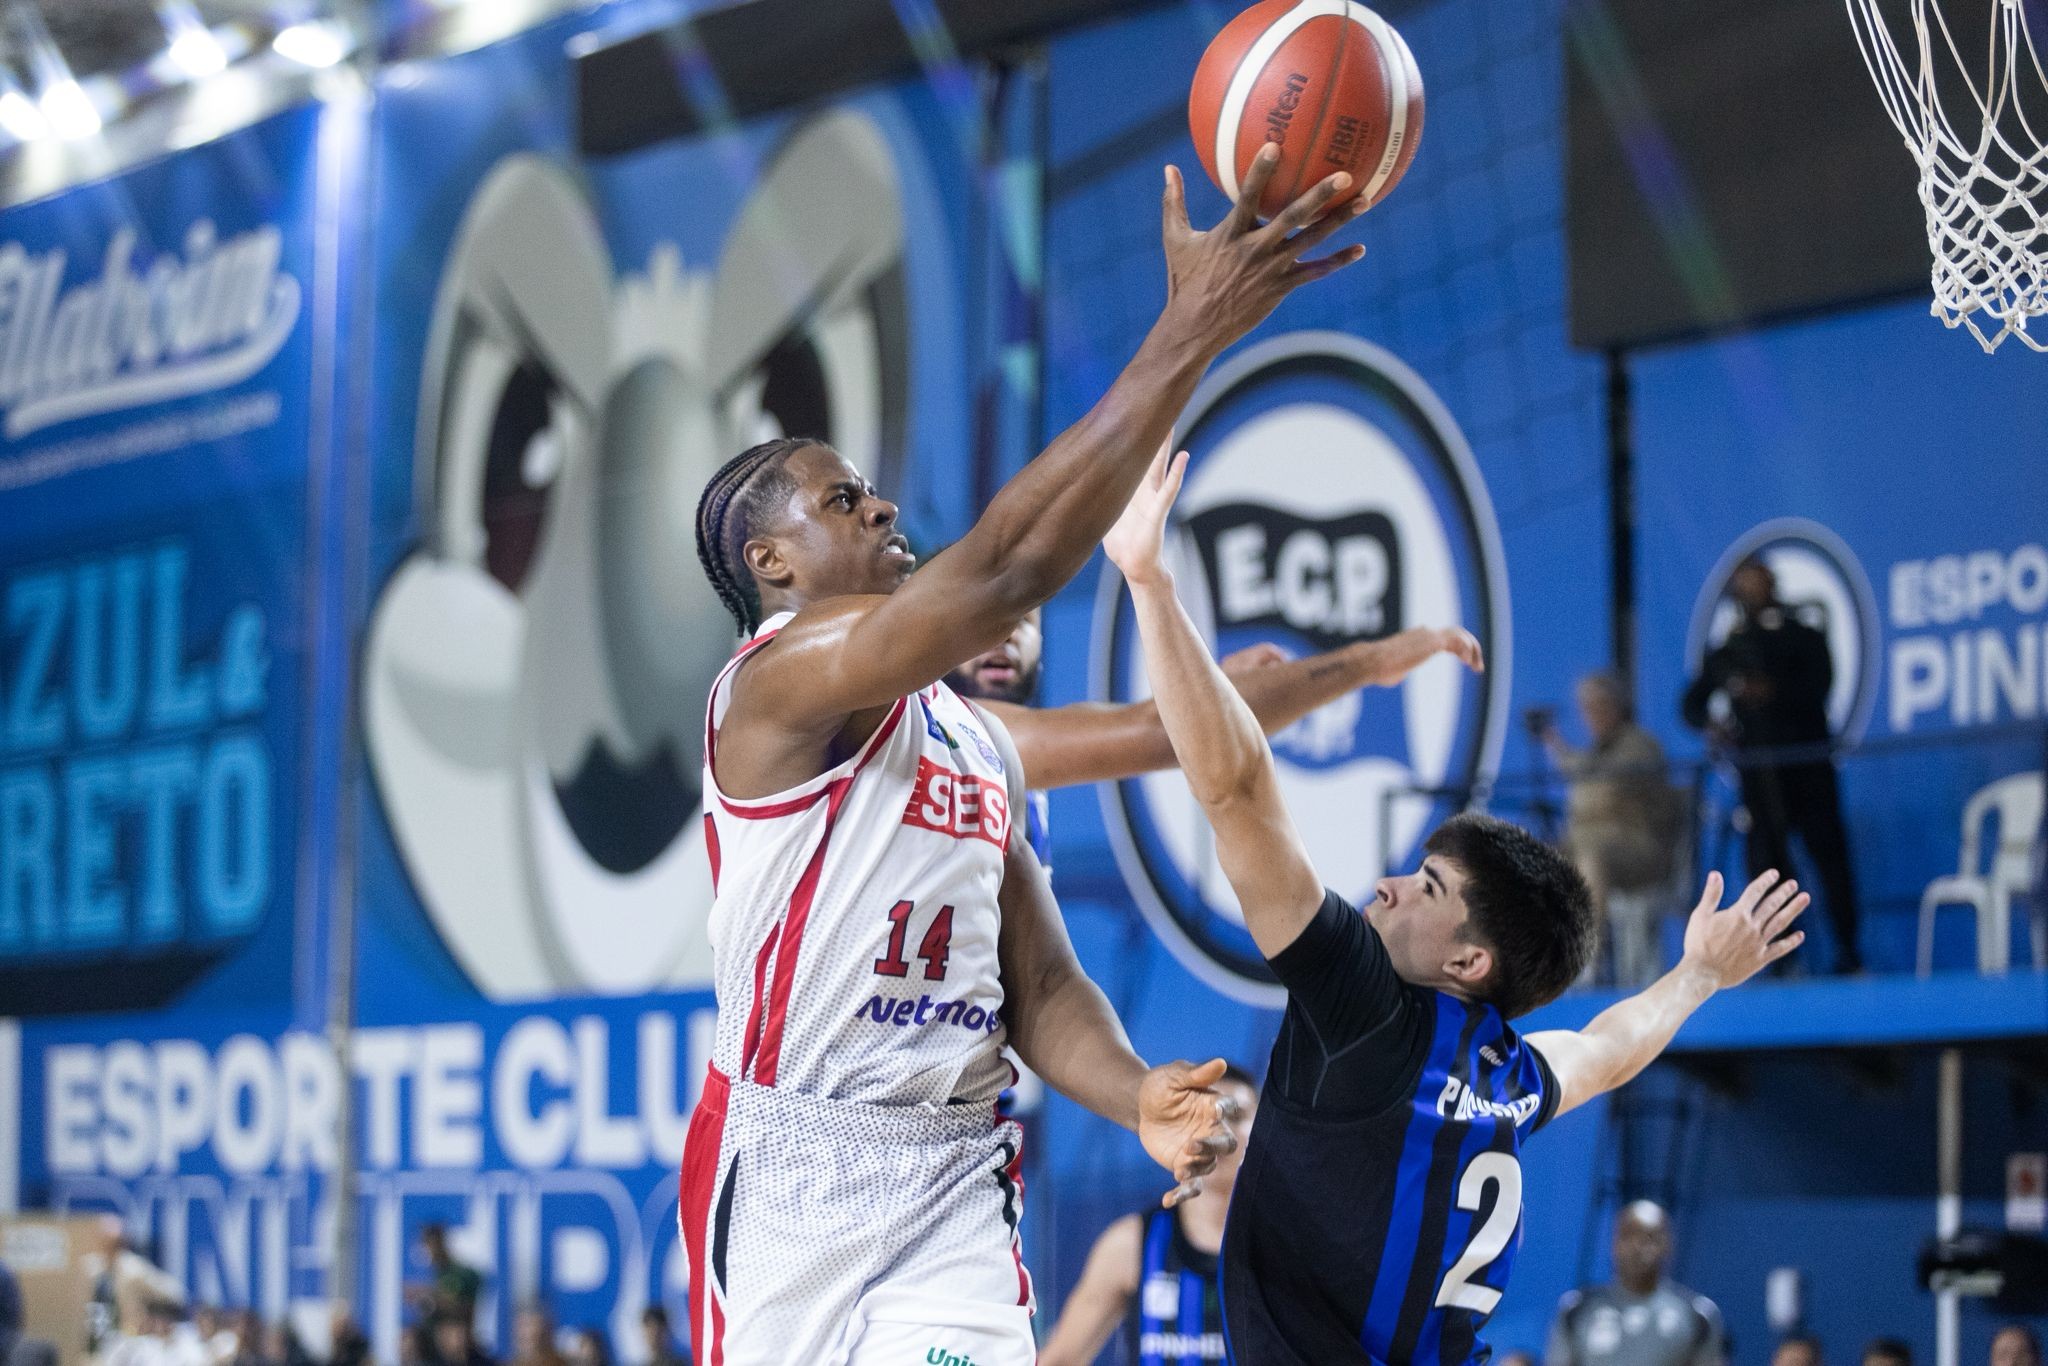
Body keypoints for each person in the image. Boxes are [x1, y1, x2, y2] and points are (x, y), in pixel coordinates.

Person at [679, 141, 1368, 1366]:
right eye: (843, 502)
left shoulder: (974, 742)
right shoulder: (767, 692)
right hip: (792, 1163)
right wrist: (1187, 328)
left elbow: (1039, 987)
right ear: (770, 565)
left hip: (949, 1165)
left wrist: (1132, 1090)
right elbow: (1001, 572)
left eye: (873, 492)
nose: (882, 508)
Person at [1102, 444, 1811, 1361]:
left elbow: (1236, 789)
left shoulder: (1364, 1008)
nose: (1389, 886)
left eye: (1427, 888)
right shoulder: (1510, 1077)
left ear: (1470, 962)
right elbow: (1606, 1048)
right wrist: (1698, 974)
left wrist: (1151, 584)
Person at [1683, 557, 1862, 972]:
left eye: (1757, 579)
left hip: (1807, 767)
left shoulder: (1804, 636)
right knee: (1767, 868)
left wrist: (1773, 692)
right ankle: (1781, 960)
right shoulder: (1730, 649)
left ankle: (1849, 952)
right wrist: (1713, 724)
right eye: (1743, 582)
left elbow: (1820, 684)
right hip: (1760, 779)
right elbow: (1691, 704)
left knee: (1829, 857)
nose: (1750, 588)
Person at [1036, 1065, 1261, 1366]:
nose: (1218, 1131)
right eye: (1202, 1116)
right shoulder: (1130, 1243)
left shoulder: (1293, 1249)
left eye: (1235, 1115)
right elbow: (1059, 1360)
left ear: (1263, 1131)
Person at [1536, 675, 1681, 987]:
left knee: (1591, 859)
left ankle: (1586, 962)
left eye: (1600, 706)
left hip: (1639, 850)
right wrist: (1558, 749)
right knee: (1531, 858)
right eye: (1587, 709)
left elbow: (1603, 791)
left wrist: (1566, 759)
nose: (1593, 716)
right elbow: (1586, 781)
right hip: (1587, 843)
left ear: (1618, 707)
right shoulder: (1594, 753)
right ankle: (1534, 964)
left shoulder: (1639, 746)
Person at [1545, 1201, 1723, 1365]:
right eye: (1629, 1236)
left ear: (1668, 1245)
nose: (1638, 1247)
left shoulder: (1698, 1315)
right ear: (1615, 1243)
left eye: (1650, 1238)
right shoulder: (1577, 1309)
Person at [405, 1226, 481, 1329]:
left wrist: (429, 1295)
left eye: (429, 1244)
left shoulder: (461, 1273)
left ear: (440, 1244)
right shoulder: (436, 1273)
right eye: (424, 1244)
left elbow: (463, 1307)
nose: (426, 1250)